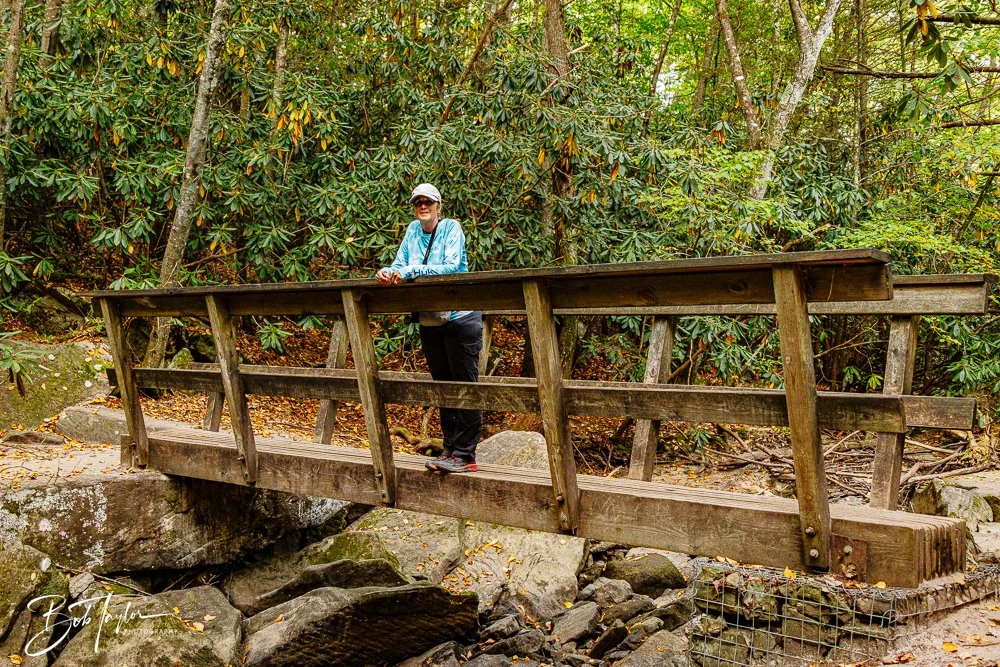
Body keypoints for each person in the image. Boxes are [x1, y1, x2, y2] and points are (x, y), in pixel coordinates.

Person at [376, 183, 483, 473]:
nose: (423, 206)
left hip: (460, 317)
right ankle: (449, 450)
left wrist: (408, 272)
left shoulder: (451, 228)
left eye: (428, 202)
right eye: (418, 202)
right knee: (443, 387)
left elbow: (449, 266)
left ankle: (465, 454)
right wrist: (388, 272)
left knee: (464, 386)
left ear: (438, 205)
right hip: (431, 317)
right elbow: (400, 262)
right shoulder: (412, 230)